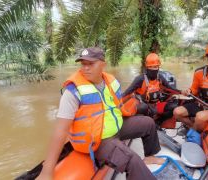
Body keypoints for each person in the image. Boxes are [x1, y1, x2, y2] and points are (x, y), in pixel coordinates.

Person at [37, 47, 163, 180]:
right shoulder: (73, 91)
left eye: (90, 64)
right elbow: (60, 131)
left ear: (103, 64)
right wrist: (47, 171)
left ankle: (149, 157)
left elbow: (117, 106)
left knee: (148, 123)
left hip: (116, 127)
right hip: (97, 140)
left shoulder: (111, 82)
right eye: (83, 64)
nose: (85, 68)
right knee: (132, 160)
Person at [122, 53, 181, 125]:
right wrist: (115, 102)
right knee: (142, 107)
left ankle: (159, 121)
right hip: (145, 106)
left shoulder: (160, 77)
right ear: (147, 67)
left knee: (173, 107)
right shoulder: (140, 79)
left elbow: (170, 88)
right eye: (151, 67)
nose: (154, 69)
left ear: (159, 67)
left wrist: (182, 92)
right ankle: (148, 122)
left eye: (156, 67)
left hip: (156, 105)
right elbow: (127, 92)